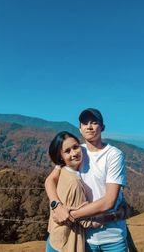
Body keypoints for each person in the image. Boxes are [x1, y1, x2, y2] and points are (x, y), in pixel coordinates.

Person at [45, 108, 128, 252]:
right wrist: (56, 205)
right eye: (85, 123)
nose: (89, 126)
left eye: (94, 123)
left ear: (102, 127)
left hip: (112, 238)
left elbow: (109, 201)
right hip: (84, 237)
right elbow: (50, 179)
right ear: (80, 128)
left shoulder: (113, 155)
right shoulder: (76, 150)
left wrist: (69, 215)